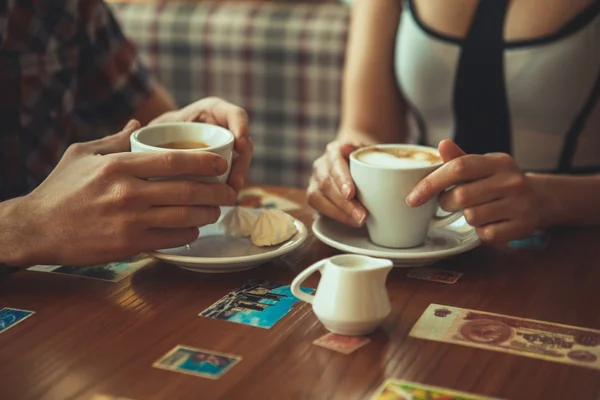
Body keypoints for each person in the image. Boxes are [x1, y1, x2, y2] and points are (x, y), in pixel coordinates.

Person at [308, 0, 600, 243]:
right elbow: (366, 129)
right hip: (431, 244)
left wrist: (551, 199)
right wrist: (343, 165)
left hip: (575, 252)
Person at [0, 1, 253, 266]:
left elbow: (137, 111)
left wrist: (182, 130)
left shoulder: (69, 8)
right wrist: (28, 225)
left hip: (58, 286)